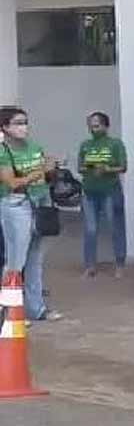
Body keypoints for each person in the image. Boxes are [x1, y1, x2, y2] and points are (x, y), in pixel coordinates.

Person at [0, 107, 61, 321]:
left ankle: (36, 309)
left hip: (39, 202)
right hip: (15, 205)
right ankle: (9, 313)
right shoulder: (3, 152)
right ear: (5, 127)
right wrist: (40, 171)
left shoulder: (34, 147)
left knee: (35, 259)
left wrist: (52, 168)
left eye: (25, 122)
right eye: (17, 123)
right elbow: (12, 183)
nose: (23, 127)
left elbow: (46, 175)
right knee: (15, 261)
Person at [78, 111, 128, 279]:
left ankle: (119, 263)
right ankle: (90, 265)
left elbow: (123, 167)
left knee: (115, 227)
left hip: (110, 190)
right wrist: (91, 168)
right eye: (90, 126)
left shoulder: (115, 144)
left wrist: (107, 169)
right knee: (90, 229)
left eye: (97, 125)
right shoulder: (85, 145)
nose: (93, 129)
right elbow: (80, 167)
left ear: (106, 125)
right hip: (89, 191)